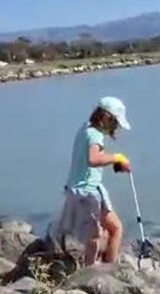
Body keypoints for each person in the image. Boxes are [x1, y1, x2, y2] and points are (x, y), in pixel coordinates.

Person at [51, 96, 132, 265]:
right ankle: (99, 271)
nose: (115, 127)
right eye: (114, 122)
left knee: (112, 229)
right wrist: (116, 157)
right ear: (105, 117)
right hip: (86, 193)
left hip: (84, 188)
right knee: (99, 235)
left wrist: (114, 161)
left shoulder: (85, 128)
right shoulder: (95, 135)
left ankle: (105, 265)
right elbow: (93, 159)